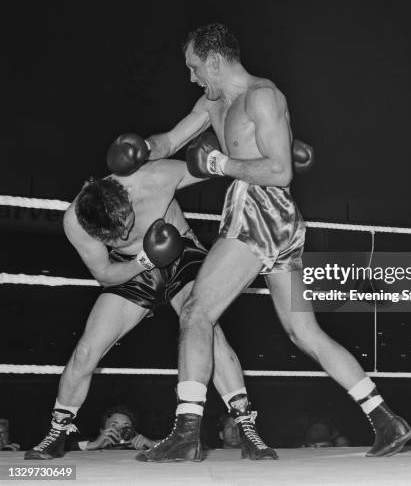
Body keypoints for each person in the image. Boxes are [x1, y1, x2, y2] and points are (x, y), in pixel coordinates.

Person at [125, 23, 411, 462]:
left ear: (216, 61)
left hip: (261, 210)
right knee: (304, 331)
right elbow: (170, 141)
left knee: (197, 312)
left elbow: (281, 172)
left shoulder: (264, 97)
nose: (192, 76)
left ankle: (186, 434)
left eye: (195, 66)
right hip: (277, 223)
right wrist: (141, 147)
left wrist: (221, 163)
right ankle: (386, 419)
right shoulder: (213, 101)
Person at [25, 156, 275, 460]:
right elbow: (104, 272)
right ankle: (58, 431)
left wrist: (267, 158)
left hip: (182, 254)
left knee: (205, 329)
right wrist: (143, 259)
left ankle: (246, 426)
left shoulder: (155, 176)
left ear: (128, 200)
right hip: (133, 268)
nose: (125, 236)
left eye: (127, 226)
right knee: (87, 350)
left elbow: (210, 165)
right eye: (114, 237)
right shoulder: (75, 221)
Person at [66, 405, 156, 451]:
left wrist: (151, 444)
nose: (120, 430)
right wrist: (93, 445)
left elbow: (168, 448)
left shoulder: (141, 449)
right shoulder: (93, 445)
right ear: (102, 431)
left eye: (126, 426)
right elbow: (61, 446)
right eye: (114, 425)